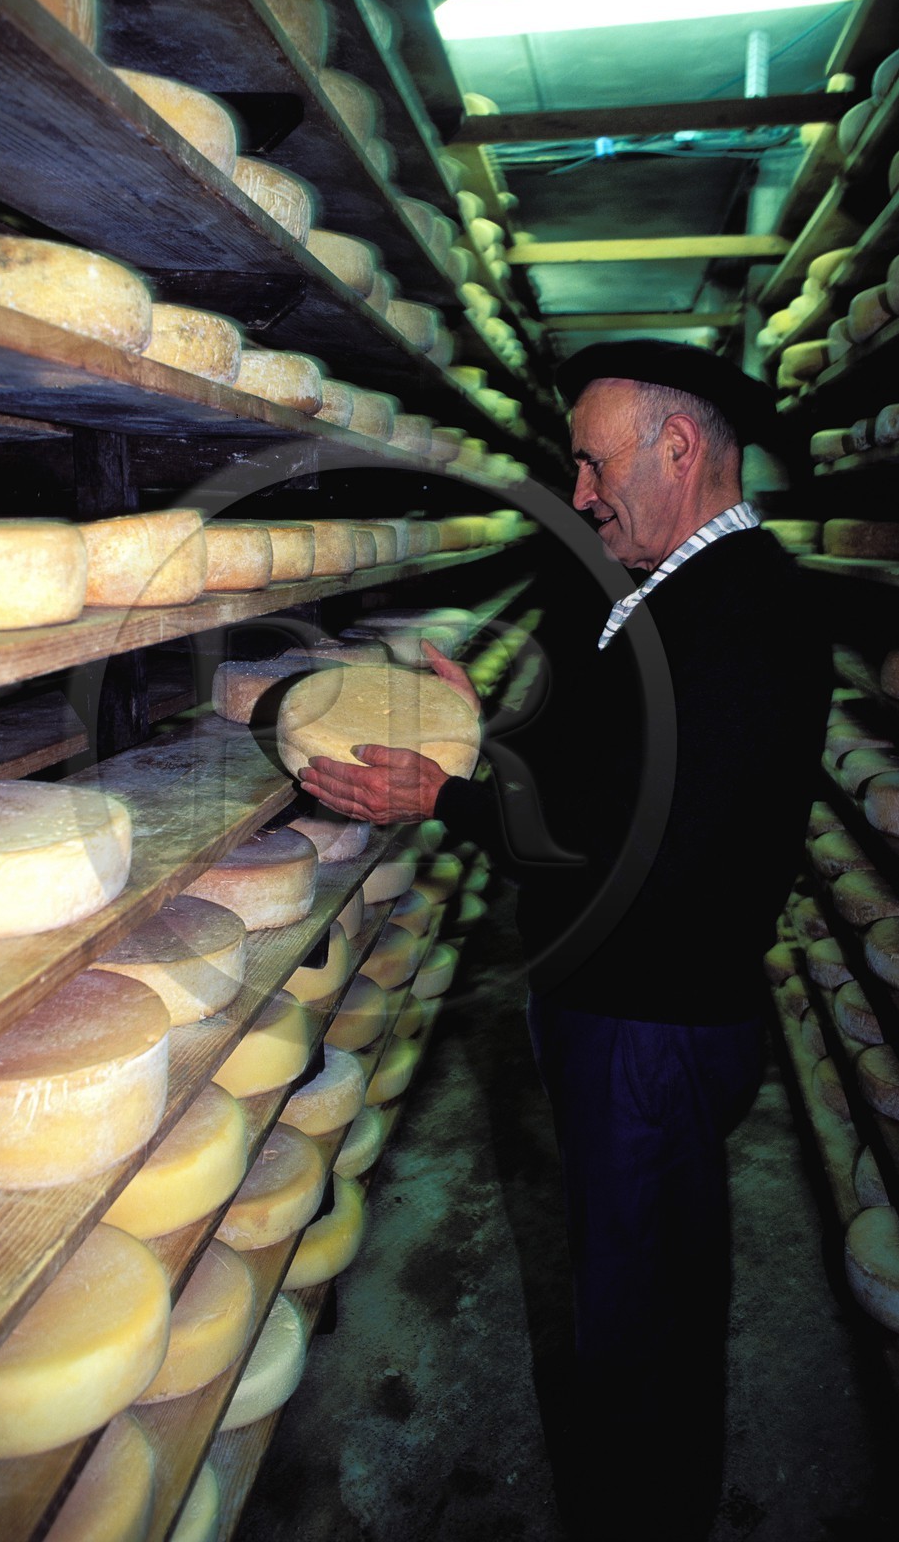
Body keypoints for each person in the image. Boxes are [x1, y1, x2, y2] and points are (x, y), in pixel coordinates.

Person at [299, 340, 833, 1541]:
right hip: (625, 1007)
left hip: (650, 1021)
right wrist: (481, 735)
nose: (579, 493)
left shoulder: (742, 612)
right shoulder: (676, 586)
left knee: (641, 1322)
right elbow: (611, 761)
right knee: (631, 1285)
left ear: (677, 448)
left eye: (594, 465)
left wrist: (445, 798)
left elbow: (642, 841)